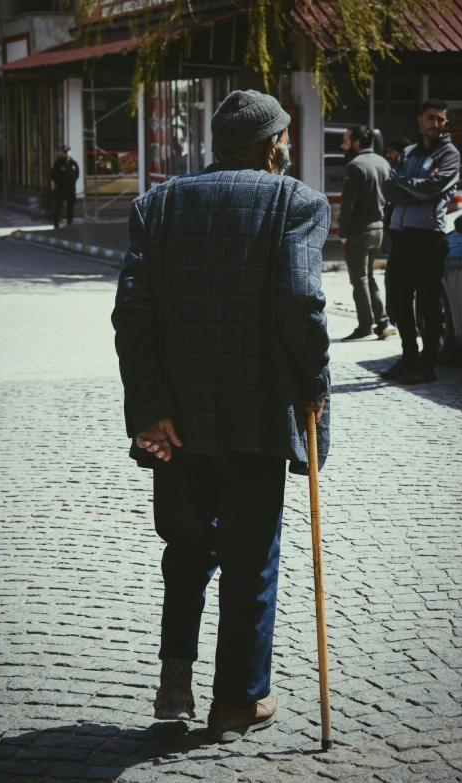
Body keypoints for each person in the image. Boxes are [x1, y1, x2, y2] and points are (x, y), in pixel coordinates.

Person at [111, 89, 331, 742]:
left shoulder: (157, 204)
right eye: (284, 138)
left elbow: (132, 315)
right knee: (250, 557)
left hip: (174, 422)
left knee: (184, 546)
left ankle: (175, 679)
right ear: (271, 145)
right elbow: (302, 305)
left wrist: (149, 410)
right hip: (259, 417)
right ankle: (238, 699)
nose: (286, 147)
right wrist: (313, 385)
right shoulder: (295, 202)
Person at [382, 99, 460, 384]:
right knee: (399, 301)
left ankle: (427, 365)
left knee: (428, 303)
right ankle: (408, 357)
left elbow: (433, 189)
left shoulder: (449, 154)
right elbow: (389, 188)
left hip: (428, 238)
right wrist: (415, 189)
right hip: (401, 237)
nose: (436, 124)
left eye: (441, 119)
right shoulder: (410, 152)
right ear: (420, 120)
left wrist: (409, 186)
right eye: (431, 118)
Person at [338, 125, 396, 341]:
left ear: (356, 143)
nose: (342, 145)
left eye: (345, 140)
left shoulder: (356, 165)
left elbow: (347, 204)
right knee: (369, 276)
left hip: (358, 231)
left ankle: (365, 326)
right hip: (378, 229)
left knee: (359, 278)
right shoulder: (383, 163)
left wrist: (342, 232)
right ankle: (383, 322)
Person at [383, 137, 412, 323]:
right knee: (393, 285)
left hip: (405, 238)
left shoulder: (406, 173)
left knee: (399, 286)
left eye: (391, 152)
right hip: (395, 235)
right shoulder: (395, 172)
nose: (388, 156)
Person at [50, 145, 79, 229]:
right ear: (62, 153)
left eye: (68, 151)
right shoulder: (58, 163)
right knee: (59, 207)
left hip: (71, 189)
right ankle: (56, 224)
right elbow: (53, 175)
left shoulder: (74, 163)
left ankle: (69, 223)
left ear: (70, 152)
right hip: (61, 189)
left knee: (70, 208)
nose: (66, 153)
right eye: (64, 152)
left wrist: (72, 182)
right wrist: (60, 183)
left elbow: (77, 174)